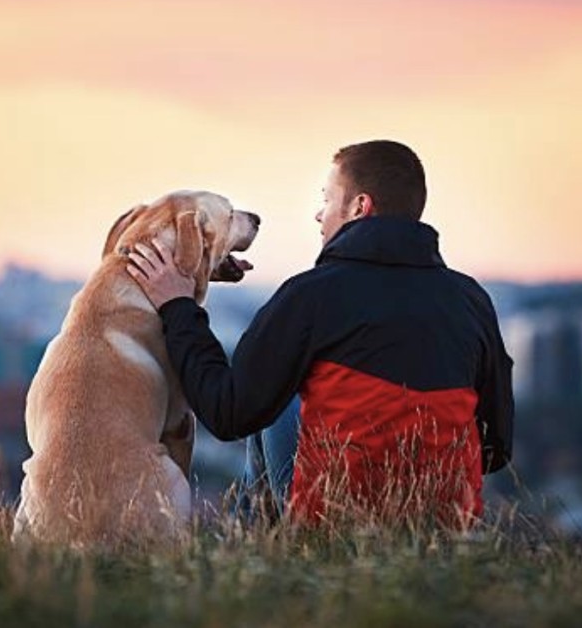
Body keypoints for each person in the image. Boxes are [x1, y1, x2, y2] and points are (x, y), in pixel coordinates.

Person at [126, 140, 514, 526]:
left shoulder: (310, 294)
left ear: (360, 207)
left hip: (335, 519)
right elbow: (495, 447)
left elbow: (227, 413)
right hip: (444, 522)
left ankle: (252, 557)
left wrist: (178, 307)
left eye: (327, 199)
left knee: (273, 401)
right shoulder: (471, 300)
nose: (318, 214)